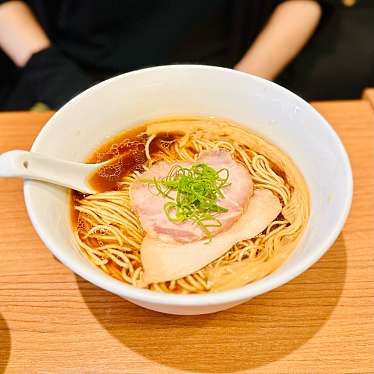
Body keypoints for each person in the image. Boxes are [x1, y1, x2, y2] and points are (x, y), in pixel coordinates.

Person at [0, 0, 322, 110]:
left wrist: (238, 86)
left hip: (224, 79)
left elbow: (303, 3)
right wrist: (58, 81)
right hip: (72, 77)